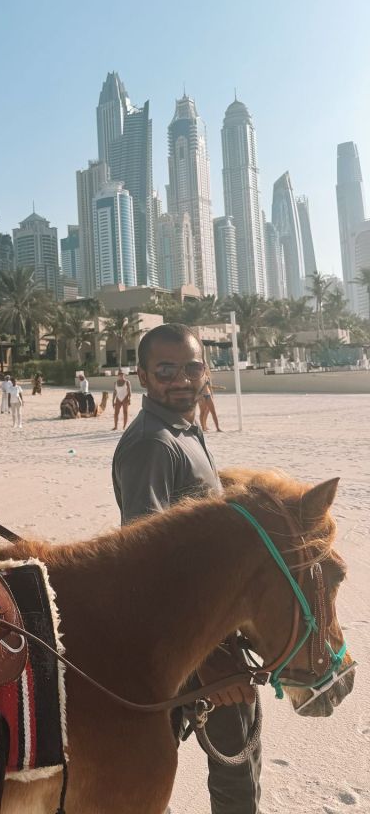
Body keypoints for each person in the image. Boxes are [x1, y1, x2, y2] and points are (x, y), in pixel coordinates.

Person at [112, 323, 261, 814]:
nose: (180, 378)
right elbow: (147, 564)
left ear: (206, 370)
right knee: (235, 775)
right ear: (142, 376)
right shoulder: (153, 444)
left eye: (191, 366)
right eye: (166, 370)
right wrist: (209, 660)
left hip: (208, 633)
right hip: (191, 647)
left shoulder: (184, 428)